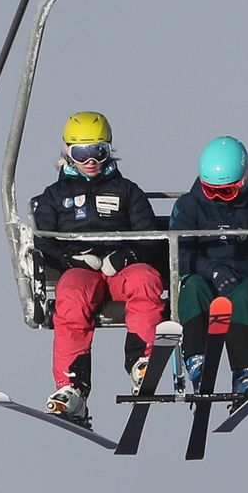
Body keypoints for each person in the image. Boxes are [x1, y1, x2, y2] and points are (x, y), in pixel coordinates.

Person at [31, 110, 163, 427]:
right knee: (72, 296)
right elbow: (45, 240)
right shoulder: (54, 196)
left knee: (146, 280)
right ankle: (71, 385)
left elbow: (150, 236)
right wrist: (72, 259)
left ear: (109, 150)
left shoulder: (127, 191)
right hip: (80, 269)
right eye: (82, 153)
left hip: (120, 269)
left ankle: (142, 362)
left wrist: (127, 255)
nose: (91, 161)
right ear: (68, 152)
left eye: (98, 152)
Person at [168, 135, 248, 400]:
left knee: (244, 293)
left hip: (239, 278)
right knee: (192, 288)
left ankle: (244, 371)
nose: (218, 197)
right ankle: (196, 360)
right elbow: (178, 253)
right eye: (210, 190)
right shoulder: (189, 207)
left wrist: (244, 271)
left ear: (243, 179)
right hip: (202, 276)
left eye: (225, 191)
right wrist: (212, 269)